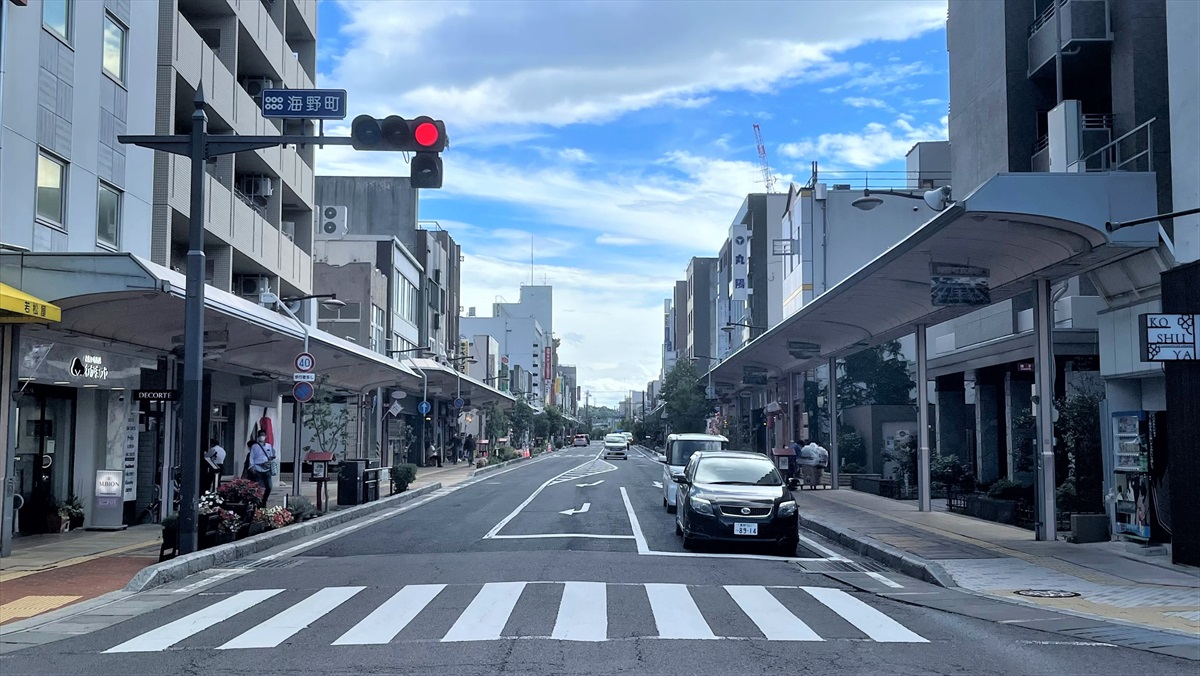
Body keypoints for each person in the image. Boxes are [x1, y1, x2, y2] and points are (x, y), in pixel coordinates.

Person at [248, 432, 276, 505]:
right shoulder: (254, 446)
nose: (262, 437)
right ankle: (258, 501)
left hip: (266, 468)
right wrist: (252, 466)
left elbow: (271, 456)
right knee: (258, 487)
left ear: (266, 436)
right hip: (257, 468)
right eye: (260, 435)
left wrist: (271, 459)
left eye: (263, 435)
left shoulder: (268, 446)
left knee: (269, 486)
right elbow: (252, 457)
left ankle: (264, 500)